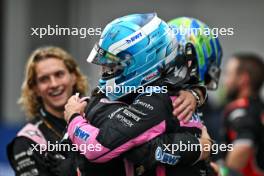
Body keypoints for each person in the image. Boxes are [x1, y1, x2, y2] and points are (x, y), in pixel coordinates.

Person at [64, 14, 222, 176]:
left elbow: (100, 147)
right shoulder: (145, 94)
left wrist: (74, 118)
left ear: (142, 61)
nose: (104, 71)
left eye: (112, 65)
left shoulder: (160, 98)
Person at [7, 46, 88, 176]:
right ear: (35, 89)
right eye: (44, 79)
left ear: (74, 77)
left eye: (59, 74)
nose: (54, 84)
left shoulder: (98, 117)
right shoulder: (28, 140)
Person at [218, 53, 264, 176]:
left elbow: (244, 145)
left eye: (228, 74)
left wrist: (222, 172)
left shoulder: (241, 111)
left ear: (243, 79)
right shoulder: (257, 108)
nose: (224, 81)